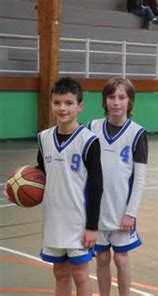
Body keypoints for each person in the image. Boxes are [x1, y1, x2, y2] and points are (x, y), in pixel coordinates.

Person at [37, 77, 103, 295]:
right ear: (51, 104)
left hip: (78, 220)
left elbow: (96, 187)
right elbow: (40, 176)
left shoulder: (89, 141)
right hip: (53, 218)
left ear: (80, 106)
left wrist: (92, 226)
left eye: (68, 103)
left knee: (81, 274)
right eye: (57, 103)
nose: (62, 108)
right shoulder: (44, 138)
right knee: (60, 272)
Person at [88, 78, 148, 296]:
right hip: (97, 211)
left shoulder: (137, 133)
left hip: (122, 211)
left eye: (122, 97)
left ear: (130, 102)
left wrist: (130, 213)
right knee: (102, 258)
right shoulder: (92, 127)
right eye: (111, 97)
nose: (116, 102)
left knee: (121, 259)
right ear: (105, 100)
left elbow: (140, 178)